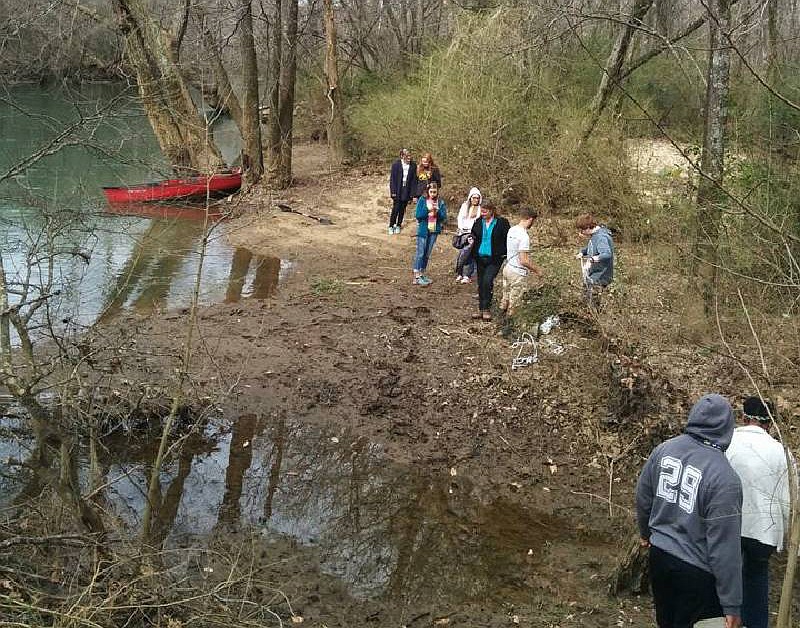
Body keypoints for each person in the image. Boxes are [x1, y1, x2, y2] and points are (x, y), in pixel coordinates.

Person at [636, 393, 743, 628]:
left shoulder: (664, 450)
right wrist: (732, 604)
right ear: (727, 428)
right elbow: (725, 547)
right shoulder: (725, 478)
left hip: (660, 558)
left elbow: (643, 496)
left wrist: (645, 533)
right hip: (697, 571)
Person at [725, 397, 790, 628]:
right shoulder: (781, 452)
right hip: (764, 531)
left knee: (725, 578)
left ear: (743, 417)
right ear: (770, 423)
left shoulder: (727, 442)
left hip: (727, 524)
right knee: (757, 576)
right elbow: (790, 498)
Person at [469, 199, 510, 321]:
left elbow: (507, 239)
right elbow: (473, 235)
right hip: (480, 257)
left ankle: (487, 308)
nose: (483, 213)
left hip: (495, 258)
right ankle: (481, 308)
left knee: (487, 281)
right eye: (481, 211)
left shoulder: (502, 223)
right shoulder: (477, 222)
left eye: (485, 211)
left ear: (492, 211)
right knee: (481, 283)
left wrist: (506, 254)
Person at [500, 207, 543, 315]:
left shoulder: (512, 230)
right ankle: (509, 326)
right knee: (514, 304)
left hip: (507, 268)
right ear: (530, 219)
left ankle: (499, 319)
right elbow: (524, 260)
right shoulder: (524, 236)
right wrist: (537, 270)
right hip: (517, 273)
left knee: (505, 299)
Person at [575, 214, 614, 310]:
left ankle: (593, 320)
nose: (581, 233)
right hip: (593, 274)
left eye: (582, 230)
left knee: (593, 304)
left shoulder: (601, 237)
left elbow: (606, 254)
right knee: (586, 297)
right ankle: (586, 314)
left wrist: (592, 259)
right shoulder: (595, 236)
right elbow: (592, 247)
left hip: (601, 275)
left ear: (588, 227)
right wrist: (582, 252)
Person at [412, 181, 446, 286]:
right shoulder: (422, 200)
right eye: (431, 192)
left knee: (427, 253)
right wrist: (428, 209)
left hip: (434, 230)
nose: (433, 194)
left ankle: (422, 273)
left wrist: (437, 212)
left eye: (435, 192)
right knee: (420, 253)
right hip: (423, 230)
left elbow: (443, 216)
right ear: (427, 191)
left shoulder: (440, 202)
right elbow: (418, 215)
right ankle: (416, 275)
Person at [454, 187, 482, 284]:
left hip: (473, 234)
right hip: (463, 233)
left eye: (477, 198)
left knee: (469, 253)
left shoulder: (479, 209)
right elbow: (460, 218)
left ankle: (466, 274)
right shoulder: (465, 206)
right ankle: (460, 273)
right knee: (463, 253)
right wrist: (461, 228)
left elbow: (477, 222)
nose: (475, 200)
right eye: (473, 198)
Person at [388, 148, 417, 235]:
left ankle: (398, 225)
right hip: (397, 189)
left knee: (402, 209)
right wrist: (393, 191)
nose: (409, 157)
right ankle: (391, 225)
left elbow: (413, 181)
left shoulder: (413, 165)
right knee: (395, 208)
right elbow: (392, 179)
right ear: (402, 156)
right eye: (407, 156)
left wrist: (412, 194)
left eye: (410, 155)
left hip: (406, 189)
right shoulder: (396, 165)